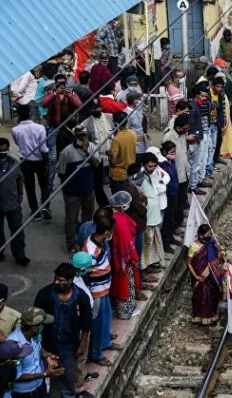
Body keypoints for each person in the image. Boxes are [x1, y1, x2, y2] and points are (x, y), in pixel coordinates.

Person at [34, 263, 92, 398]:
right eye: (56, 278)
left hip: (69, 345)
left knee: (69, 376)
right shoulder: (44, 295)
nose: (56, 282)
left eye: (61, 280)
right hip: (48, 343)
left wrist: (83, 344)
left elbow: (86, 324)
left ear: (70, 281)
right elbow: (36, 318)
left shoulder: (81, 297)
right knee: (44, 376)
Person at [56, 125, 99, 253]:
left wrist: (86, 152)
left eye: (84, 135)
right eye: (80, 136)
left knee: (88, 218)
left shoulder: (91, 147)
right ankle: (71, 245)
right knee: (71, 219)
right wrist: (67, 189)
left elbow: (96, 164)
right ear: (75, 137)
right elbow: (61, 172)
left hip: (88, 190)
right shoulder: (66, 152)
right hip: (72, 193)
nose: (83, 138)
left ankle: (86, 242)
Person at [82, 212, 115, 368]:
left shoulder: (99, 243)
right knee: (98, 322)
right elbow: (86, 274)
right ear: (107, 232)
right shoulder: (90, 250)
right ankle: (96, 354)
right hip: (97, 293)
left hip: (104, 289)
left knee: (106, 317)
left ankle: (105, 341)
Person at [5, 307, 61, 398]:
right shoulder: (15, 346)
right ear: (34, 328)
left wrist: (46, 355)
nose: (44, 327)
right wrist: (45, 374)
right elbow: (15, 376)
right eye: (42, 324)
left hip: (39, 386)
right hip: (24, 393)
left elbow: (38, 345)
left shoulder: (34, 334)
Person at [10, 104, 50, 220]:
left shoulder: (15, 130)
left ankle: (35, 211)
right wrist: (47, 162)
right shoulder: (40, 128)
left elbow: (18, 143)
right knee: (44, 184)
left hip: (25, 160)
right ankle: (45, 206)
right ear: (30, 114)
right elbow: (43, 148)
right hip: (41, 160)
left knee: (29, 186)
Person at [108, 191, 143, 321]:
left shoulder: (112, 215)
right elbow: (126, 242)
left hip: (115, 256)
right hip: (123, 259)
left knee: (118, 285)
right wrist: (134, 258)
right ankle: (125, 312)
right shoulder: (120, 220)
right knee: (126, 286)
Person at [188, 224, 224, 326]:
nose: (210, 235)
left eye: (210, 233)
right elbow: (189, 263)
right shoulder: (194, 246)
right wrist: (196, 276)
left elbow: (220, 256)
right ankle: (199, 318)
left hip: (212, 274)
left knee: (213, 294)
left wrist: (219, 249)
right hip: (200, 276)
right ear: (201, 235)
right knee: (201, 296)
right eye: (208, 234)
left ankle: (212, 316)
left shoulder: (212, 243)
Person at [108, 112, 137, 192]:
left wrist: (109, 154)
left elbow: (113, 162)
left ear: (116, 123)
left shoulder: (116, 139)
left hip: (118, 174)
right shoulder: (133, 133)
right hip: (129, 171)